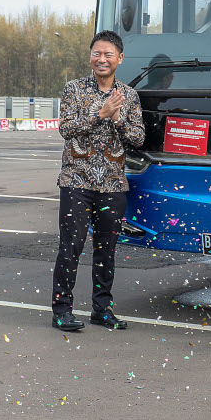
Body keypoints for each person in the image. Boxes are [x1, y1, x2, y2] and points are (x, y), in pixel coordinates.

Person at [51, 30, 144, 332]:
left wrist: (117, 118)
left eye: (108, 54)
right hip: (76, 181)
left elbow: (139, 138)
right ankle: (61, 309)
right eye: (96, 53)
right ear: (90, 56)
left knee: (107, 249)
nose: (101, 59)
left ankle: (102, 310)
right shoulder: (74, 89)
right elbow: (66, 129)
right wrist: (100, 113)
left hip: (113, 185)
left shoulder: (129, 96)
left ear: (120, 58)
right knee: (71, 246)